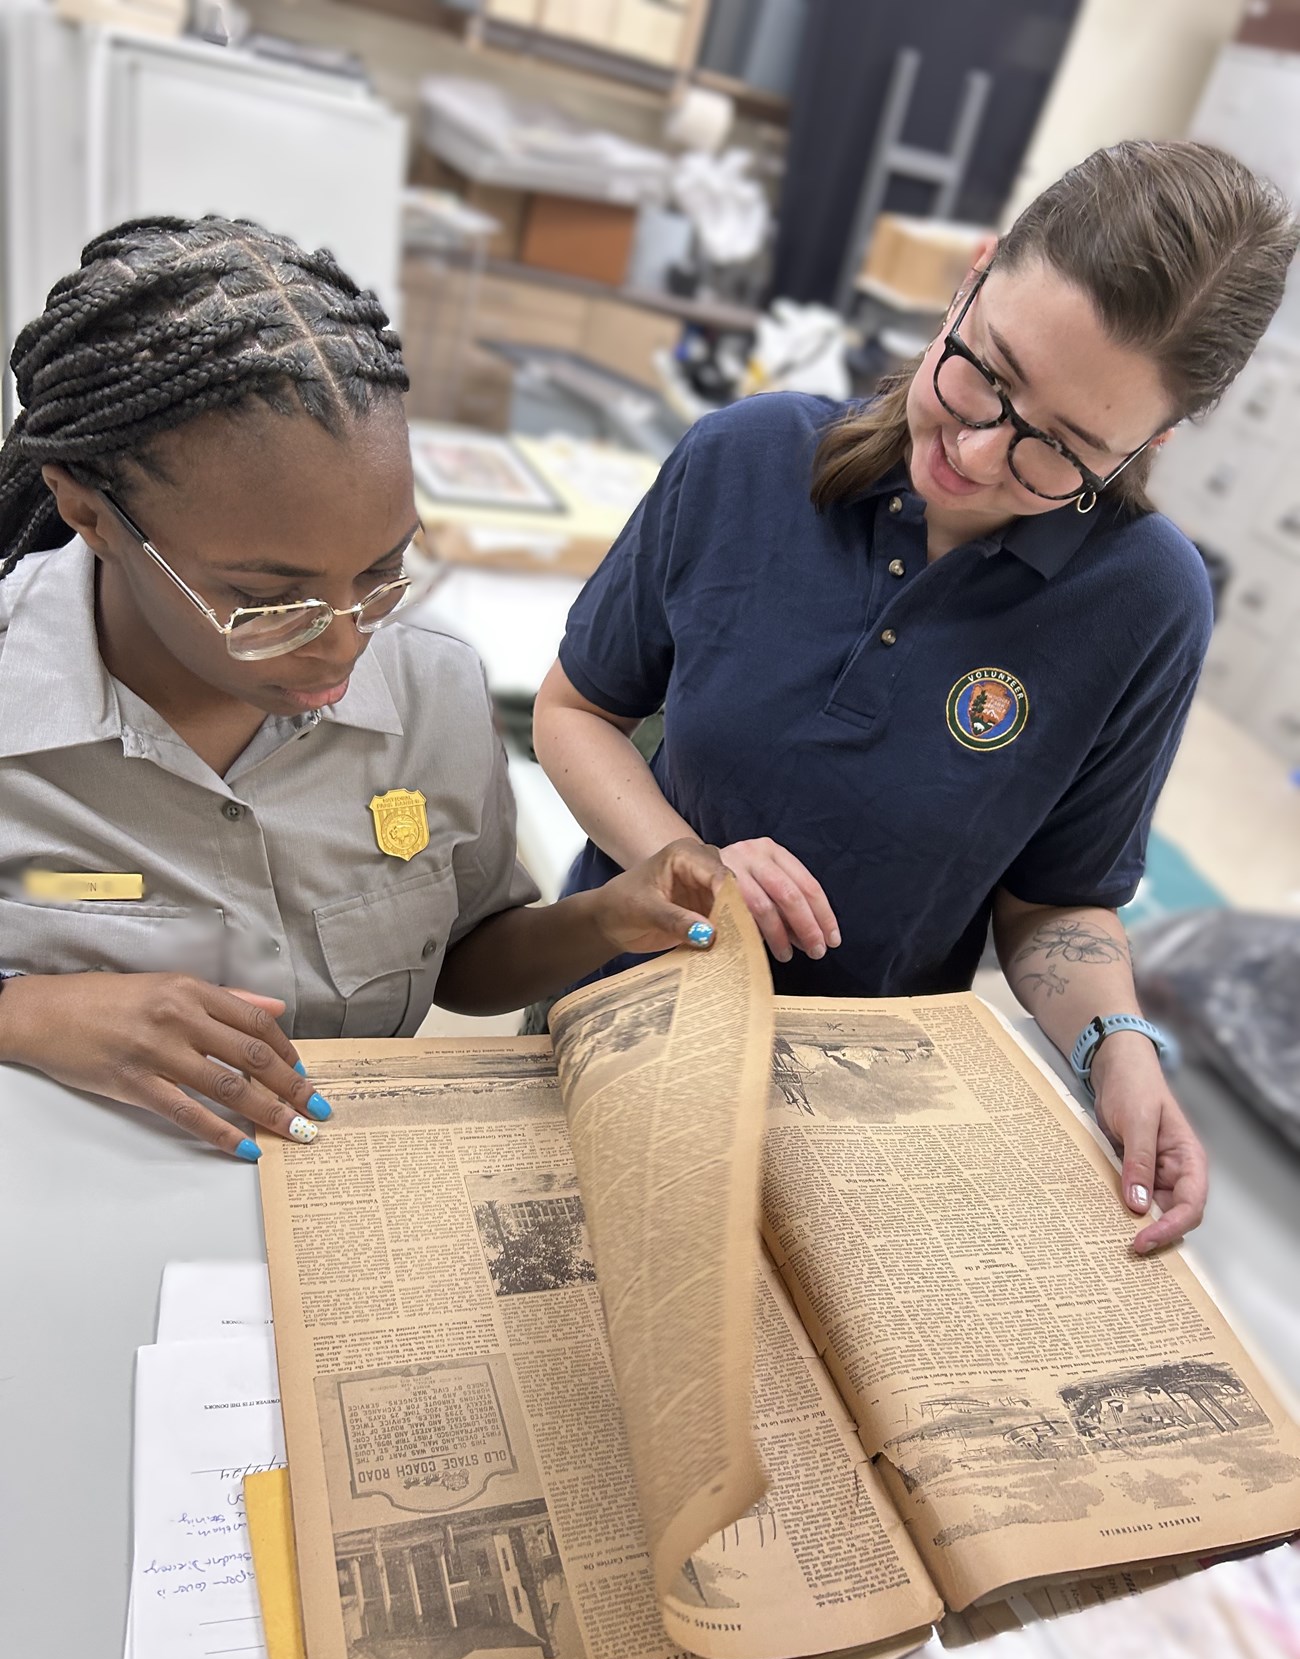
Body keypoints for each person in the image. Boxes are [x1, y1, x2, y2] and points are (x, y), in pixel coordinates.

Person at [532, 141, 1300, 1256]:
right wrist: (679, 855)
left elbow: (1055, 903)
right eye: (985, 372)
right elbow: (573, 711)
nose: (980, 452)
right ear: (973, 275)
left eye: (1064, 449)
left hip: (848, 1123)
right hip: (606, 1025)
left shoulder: (1147, 605)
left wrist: (1116, 1042)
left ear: (1155, 440)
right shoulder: (744, 459)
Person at [0, 215, 723, 1162]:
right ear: (89, 514)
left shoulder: (431, 690)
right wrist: (28, 1013)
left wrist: (605, 915)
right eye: (267, 600)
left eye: (382, 572)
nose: (343, 647)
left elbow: (461, 956)